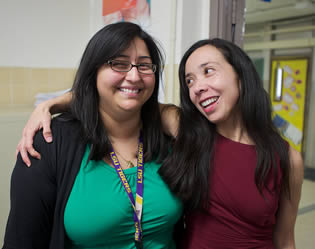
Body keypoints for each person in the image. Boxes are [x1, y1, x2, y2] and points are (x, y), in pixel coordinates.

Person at [15, 38, 303, 249]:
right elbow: (120, 95)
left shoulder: (286, 157)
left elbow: (284, 238)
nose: (198, 86)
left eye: (208, 71)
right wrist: (52, 104)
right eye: (188, 80)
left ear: (240, 74)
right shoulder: (188, 132)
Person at [3, 22, 183, 249]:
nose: (134, 76)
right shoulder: (49, 142)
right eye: (119, 64)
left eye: (145, 66)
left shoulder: (169, 137)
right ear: (94, 71)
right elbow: (22, 241)